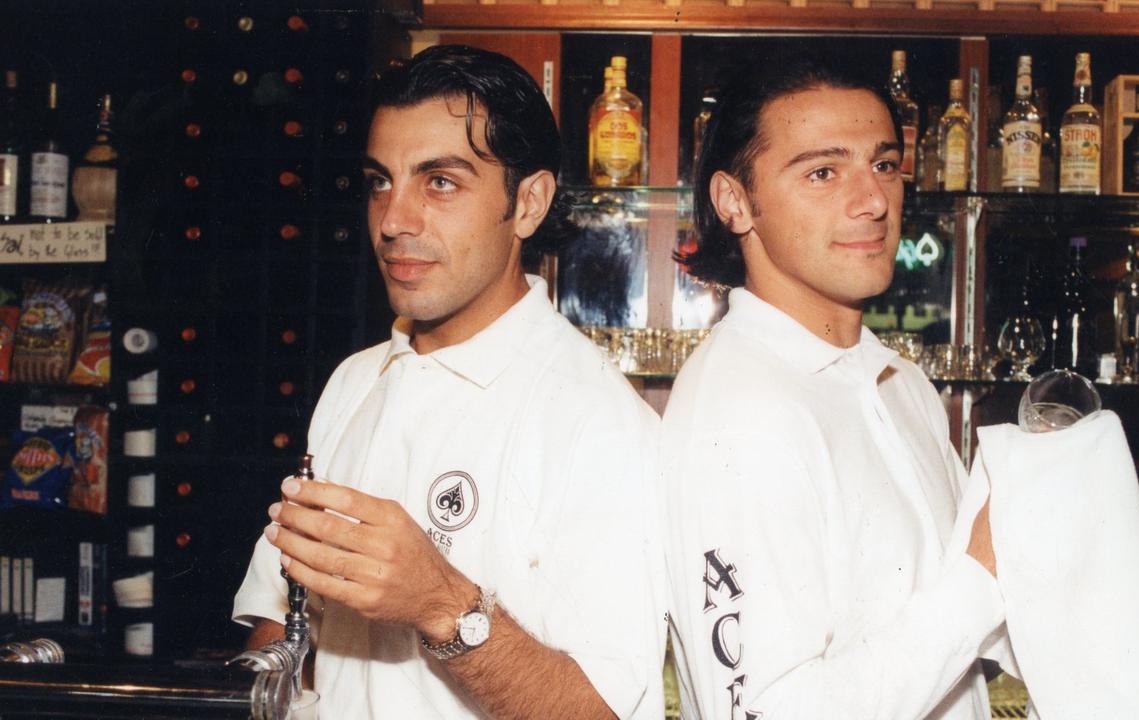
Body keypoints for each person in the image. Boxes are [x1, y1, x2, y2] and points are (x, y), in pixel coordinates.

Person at [233, 44, 664, 720]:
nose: (394, 221)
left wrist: (439, 603)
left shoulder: (598, 422)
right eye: (381, 181)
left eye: (440, 182)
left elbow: (599, 712)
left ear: (528, 203)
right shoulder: (354, 380)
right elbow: (278, 621)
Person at [661, 55, 1005, 719]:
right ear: (734, 201)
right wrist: (982, 578)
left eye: (883, 164)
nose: (873, 199)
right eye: (823, 171)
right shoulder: (738, 415)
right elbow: (771, 709)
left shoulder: (900, 383)